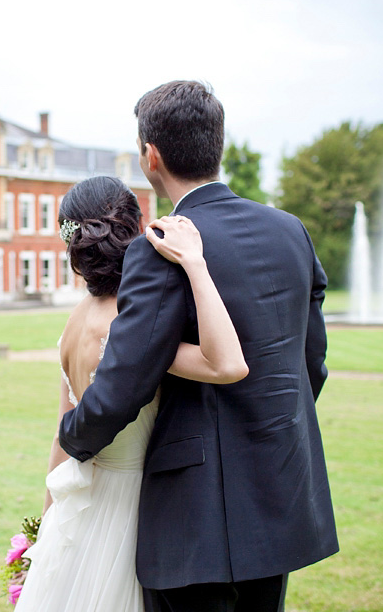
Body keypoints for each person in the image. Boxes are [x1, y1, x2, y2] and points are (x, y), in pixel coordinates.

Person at [59, 81, 339, 612]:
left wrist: (72, 436)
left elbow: (123, 383)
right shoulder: (290, 232)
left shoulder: (158, 248)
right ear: (218, 143)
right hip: (279, 492)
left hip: (193, 518)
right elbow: (311, 362)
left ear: (151, 155)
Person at [14, 175, 248, 612]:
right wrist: (195, 265)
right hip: (136, 511)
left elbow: (61, 437)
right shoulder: (136, 324)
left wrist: (44, 532)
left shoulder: (75, 321)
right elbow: (227, 364)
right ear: (135, 231)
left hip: (78, 510)